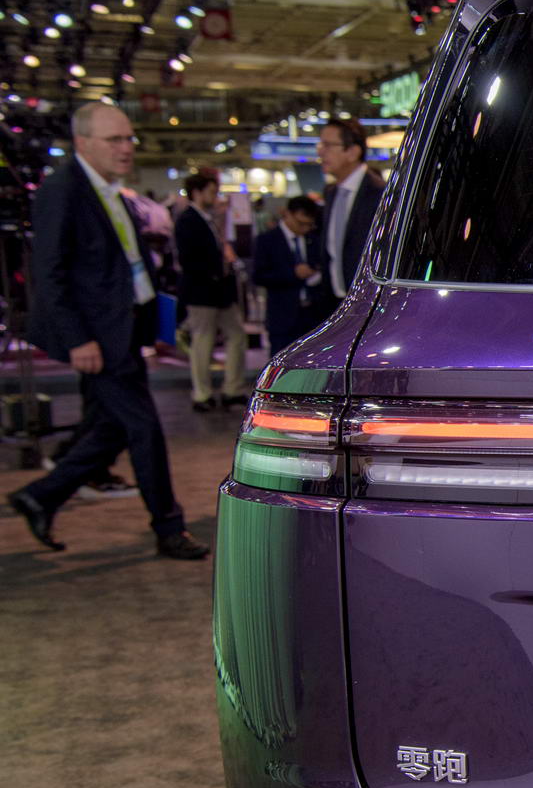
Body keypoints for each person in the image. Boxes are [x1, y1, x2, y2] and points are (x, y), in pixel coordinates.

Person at [7, 101, 209, 559]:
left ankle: (41, 496)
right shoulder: (63, 190)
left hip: (124, 329)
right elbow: (49, 273)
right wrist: (77, 338)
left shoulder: (109, 189)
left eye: (129, 138)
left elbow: (127, 266)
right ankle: (169, 527)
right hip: (98, 337)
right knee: (143, 429)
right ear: (83, 142)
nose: (126, 148)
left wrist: (155, 321)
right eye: (114, 139)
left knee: (111, 430)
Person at [173, 171, 246, 412]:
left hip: (219, 291)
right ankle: (202, 393)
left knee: (235, 335)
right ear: (197, 192)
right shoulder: (188, 220)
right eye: (212, 192)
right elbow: (188, 259)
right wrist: (214, 272)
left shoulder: (208, 218)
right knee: (203, 340)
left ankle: (231, 389)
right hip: (201, 291)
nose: (216, 197)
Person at [311, 118, 384, 312]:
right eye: (320, 145)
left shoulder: (380, 194)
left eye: (328, 145)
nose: (320, 152)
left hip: (369, 306)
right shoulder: (331, 192)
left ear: (352, 152)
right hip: (333, 304)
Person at [252, 195, 324, 355]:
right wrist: (293, 274)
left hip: (312, 315)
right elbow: (259, 276)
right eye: (301, 223)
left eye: (309, 224)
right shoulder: (267, 240)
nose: (305, 228)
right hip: (282, 316)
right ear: (288, 214)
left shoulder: (314, 239)